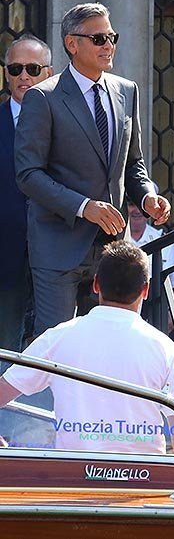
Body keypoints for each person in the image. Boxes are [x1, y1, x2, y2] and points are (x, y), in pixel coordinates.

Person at [14, 3, 170, 338]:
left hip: (111, 248)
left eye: (112, 37)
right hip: (58, 247)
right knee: (56, 348)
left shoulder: (127, 91)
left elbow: (133, 163)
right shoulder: (43, 97)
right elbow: (28, 174)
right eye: (99, 38)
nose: (108, 45)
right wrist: (85, 207)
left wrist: (147, 198)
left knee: (107, 345)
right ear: (72, 44)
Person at [0, 241, 174, 455]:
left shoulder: (58, 337)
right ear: (145, 290)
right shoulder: (165, 349)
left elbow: (3, 389)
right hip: (143, 474)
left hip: (73, 472)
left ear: (96, 284)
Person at [0, 34, 53, 362]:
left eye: (32, 69)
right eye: (15, 68)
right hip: (5, 257)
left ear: (48, 73)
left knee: (54, 353)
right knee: (6, 350)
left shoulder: (67, 122)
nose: (24, 76)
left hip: (56, 252)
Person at [128, 198, 174, 331]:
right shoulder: (112, 238)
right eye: (131, 205)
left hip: (155, 318)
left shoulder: (163, 240)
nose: (137, 211)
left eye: (141, 206)